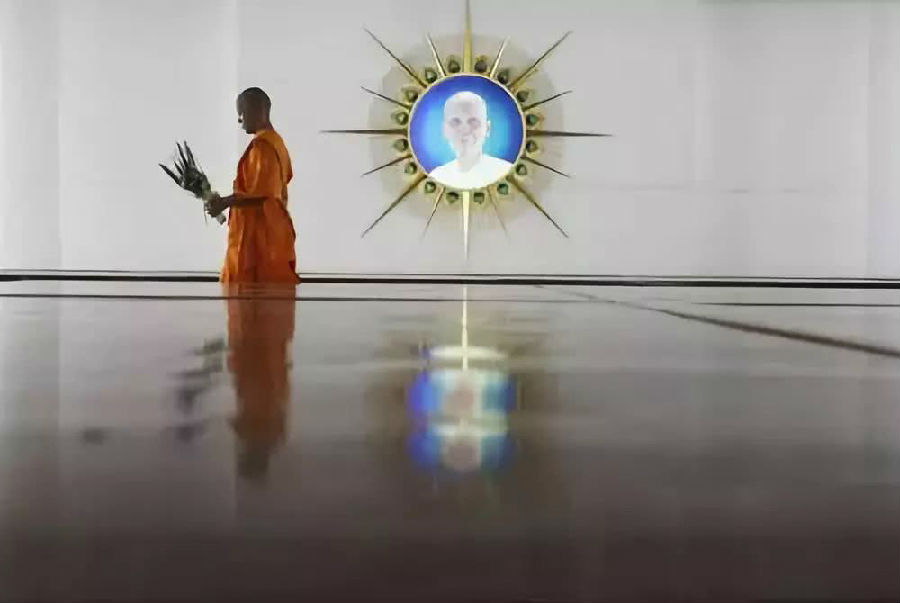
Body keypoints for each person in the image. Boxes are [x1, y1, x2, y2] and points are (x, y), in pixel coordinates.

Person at [206, 88, 300, 284]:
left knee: (255, 298)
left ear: (258, 110)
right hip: (269, 234)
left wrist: (225, 202)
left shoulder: (263, 146)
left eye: (242, 112)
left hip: (259, 242)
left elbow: (264, 194)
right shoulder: (276, 143)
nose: (240, 119)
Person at [428, 91, 514, 190]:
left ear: (487, 129)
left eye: (473, 122)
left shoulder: (505, 173)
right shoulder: (436, 177)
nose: (465, 130)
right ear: (445, 129)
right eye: (455, 122)